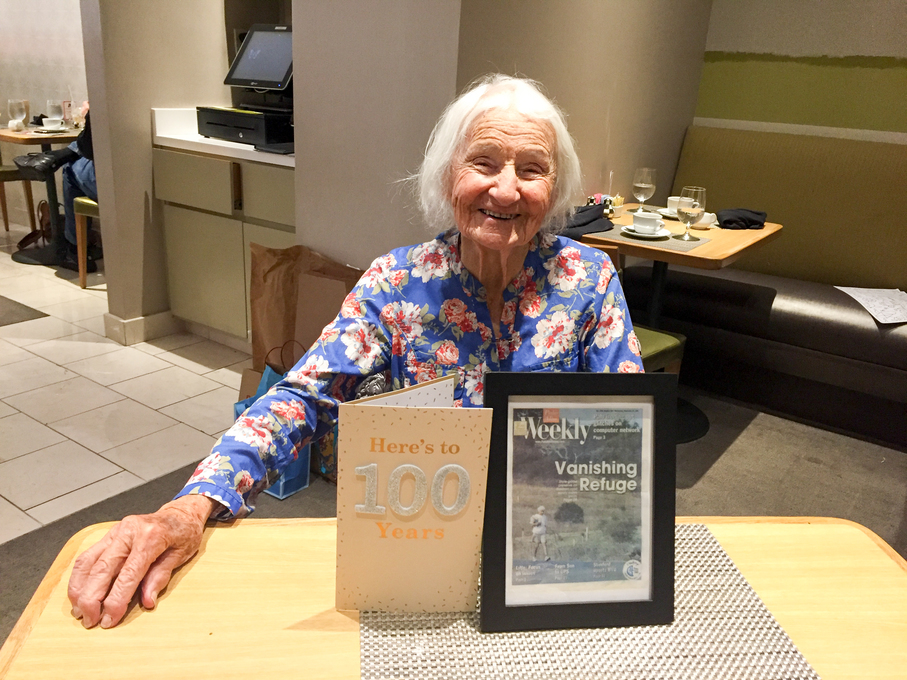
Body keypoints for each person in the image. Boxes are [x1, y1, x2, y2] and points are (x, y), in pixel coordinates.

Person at [66, 74, 644, 630]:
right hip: (421, 544)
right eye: (485, 162)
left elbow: (627, 432)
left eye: (532, 169)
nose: (507, 189)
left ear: (554, 189)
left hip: (549, 550)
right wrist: (189, 505)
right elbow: (299, 398)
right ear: (448, 176)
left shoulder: (589, 279)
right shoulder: (397, 282)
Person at [15, 101, 99, 272]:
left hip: (112, 184)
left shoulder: (106, 98)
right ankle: (59, 156)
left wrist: (90, 115)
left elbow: (89, 148)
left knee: (69, 168)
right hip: (139, 176)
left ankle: (76, 251)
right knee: (76, 159)